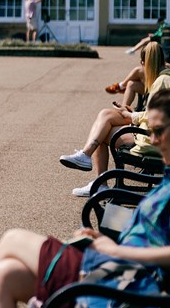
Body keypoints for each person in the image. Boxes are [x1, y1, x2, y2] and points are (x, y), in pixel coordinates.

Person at [0, 89, 170, 308]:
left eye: (159, 131)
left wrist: (117, 251)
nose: (152, 140)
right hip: (116, 269)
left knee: (11, 238)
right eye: (151, 131)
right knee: (7, 274)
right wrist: (106, 239)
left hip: (125, 280)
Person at [59, 42, 170, 197]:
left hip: (152, 142)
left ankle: (97, 177)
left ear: (147, 63)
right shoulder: (164, 78)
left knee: (103, 130)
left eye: (143, 64)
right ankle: (88, 160)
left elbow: (155, 118)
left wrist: (132, 116)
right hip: (155, 136)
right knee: (105, 114)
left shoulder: (162, 82)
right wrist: (132, 113)